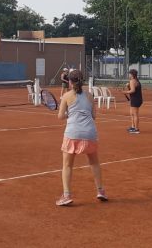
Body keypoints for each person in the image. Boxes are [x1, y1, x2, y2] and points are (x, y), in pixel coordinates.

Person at [56, 69, 106, 206]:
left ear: (70, 82)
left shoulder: (66, 96)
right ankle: (100, 191)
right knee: (94, 163)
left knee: (67, 165)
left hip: (73, 133)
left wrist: (69, 113)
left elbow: (60, 116)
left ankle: (66, 195)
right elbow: (93, 116)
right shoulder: (90, 96)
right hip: (90, 133)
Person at [123, 69, 143, 134]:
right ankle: (133, 127)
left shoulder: (132, 81)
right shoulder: (135, 81)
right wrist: (128, 86)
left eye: (129, 74)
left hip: (136, 99)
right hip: (135, 99)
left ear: (132, 75)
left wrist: (124, 92)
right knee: (132, 113)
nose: (128, 75)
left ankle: (136, 129)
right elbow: (132, 89)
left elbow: (133, 91)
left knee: (135, 114)